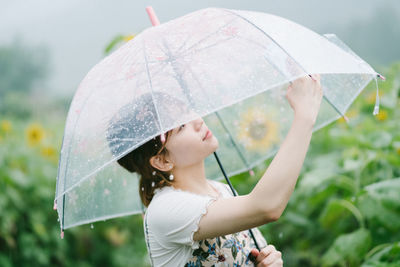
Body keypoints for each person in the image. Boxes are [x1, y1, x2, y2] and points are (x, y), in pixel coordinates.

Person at [106, 74, 322, 266]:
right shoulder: (165, 210)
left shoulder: (222, 191)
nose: (198, 121)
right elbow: (266, 207)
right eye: (181, 126)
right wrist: (304, 117)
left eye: (187, 112)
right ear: (162, 161)